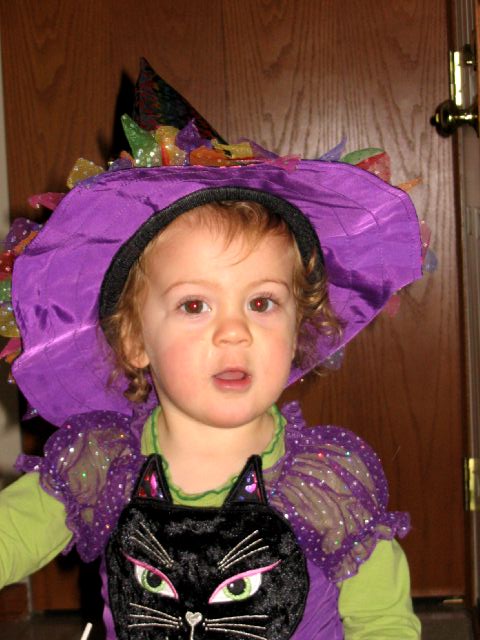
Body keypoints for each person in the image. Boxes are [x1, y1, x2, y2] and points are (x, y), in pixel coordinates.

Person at [0, 136, 422, 639]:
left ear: (298, 328)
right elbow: (11, 535)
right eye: (195, 305)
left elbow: (383, 622)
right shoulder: (102, 463)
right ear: (135, 340)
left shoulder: (325, 483)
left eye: (262, 303)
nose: (234, 332)